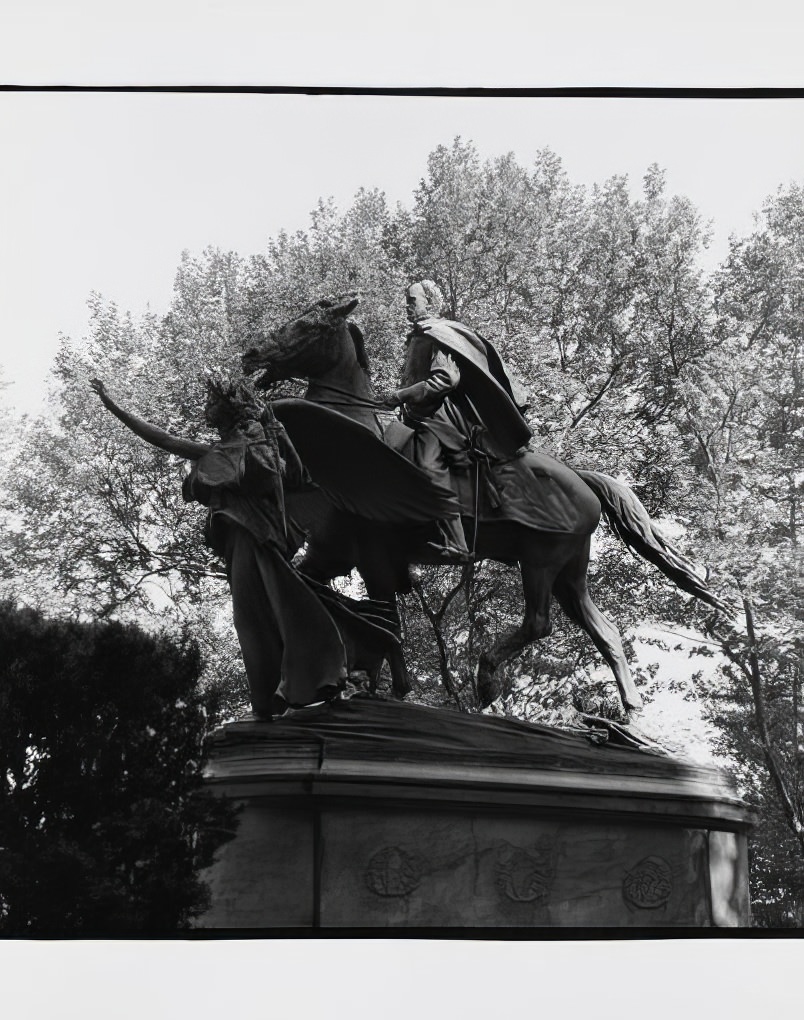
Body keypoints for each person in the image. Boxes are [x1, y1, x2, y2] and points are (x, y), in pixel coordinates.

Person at [90, 376, 349, 717]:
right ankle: (275, 696)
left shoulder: (263, 440)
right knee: (252, 619)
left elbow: (297, 478)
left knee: (266, 613)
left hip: (259, 538)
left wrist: (277, 430)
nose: (205, 408)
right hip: (242, 541)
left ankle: (305, 681)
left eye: (211, 402)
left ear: (228, 408)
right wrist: (113, 406)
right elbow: (163, 439)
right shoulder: (216, 451)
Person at [379, 280, 533, 561]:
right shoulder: (416, 337)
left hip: (440, 419)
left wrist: (400, 395)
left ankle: (458, 542)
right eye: (408, 300)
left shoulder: (439, 334)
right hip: (416, 417)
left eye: (413, 300)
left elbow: (447, 379)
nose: (407, 305)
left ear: (431, 303)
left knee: (428, 466)